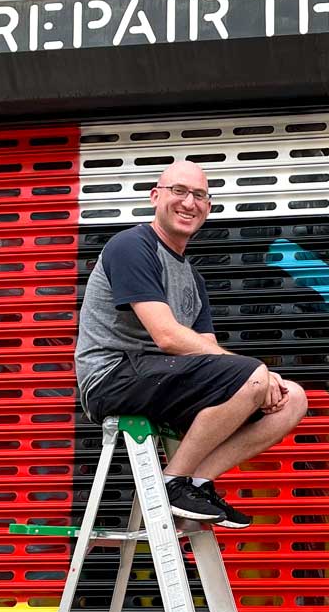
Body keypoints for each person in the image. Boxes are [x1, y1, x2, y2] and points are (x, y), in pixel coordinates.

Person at [74, 160, 307, 529]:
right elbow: (167, 336)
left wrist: (263, 380)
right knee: (252, 377)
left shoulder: (192, 277)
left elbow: (206, 349)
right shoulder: (132, 247)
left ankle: (196, 482)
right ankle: (171, 483)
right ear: (155, 197)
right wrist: (255, 375)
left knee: (292, 398)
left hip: (163, 378)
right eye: (178, 191)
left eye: (199, 195)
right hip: (112, 376)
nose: (188, 203)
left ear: (208, 208)